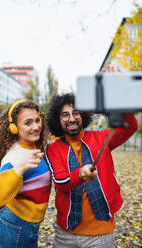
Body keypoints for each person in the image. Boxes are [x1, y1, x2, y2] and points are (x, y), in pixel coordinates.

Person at [45, 89, 138, 248]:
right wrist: (80, 175)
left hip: (101, 234)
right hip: (65, 234)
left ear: (82, 115)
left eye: (76, 113)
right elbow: (60, 181)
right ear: (58, 120)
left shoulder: (101, 138)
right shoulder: (54, 149)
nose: (71, 118)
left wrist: (116, 93)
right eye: (65, 115)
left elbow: (131, 126)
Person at [0, 99, 51, 248]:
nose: (36, 127)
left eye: (37, 120)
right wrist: (18, 170)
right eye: (28, 123)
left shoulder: (33, 147)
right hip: (15, 225)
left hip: (29, 225)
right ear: (14, 128)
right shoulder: (14, 157)